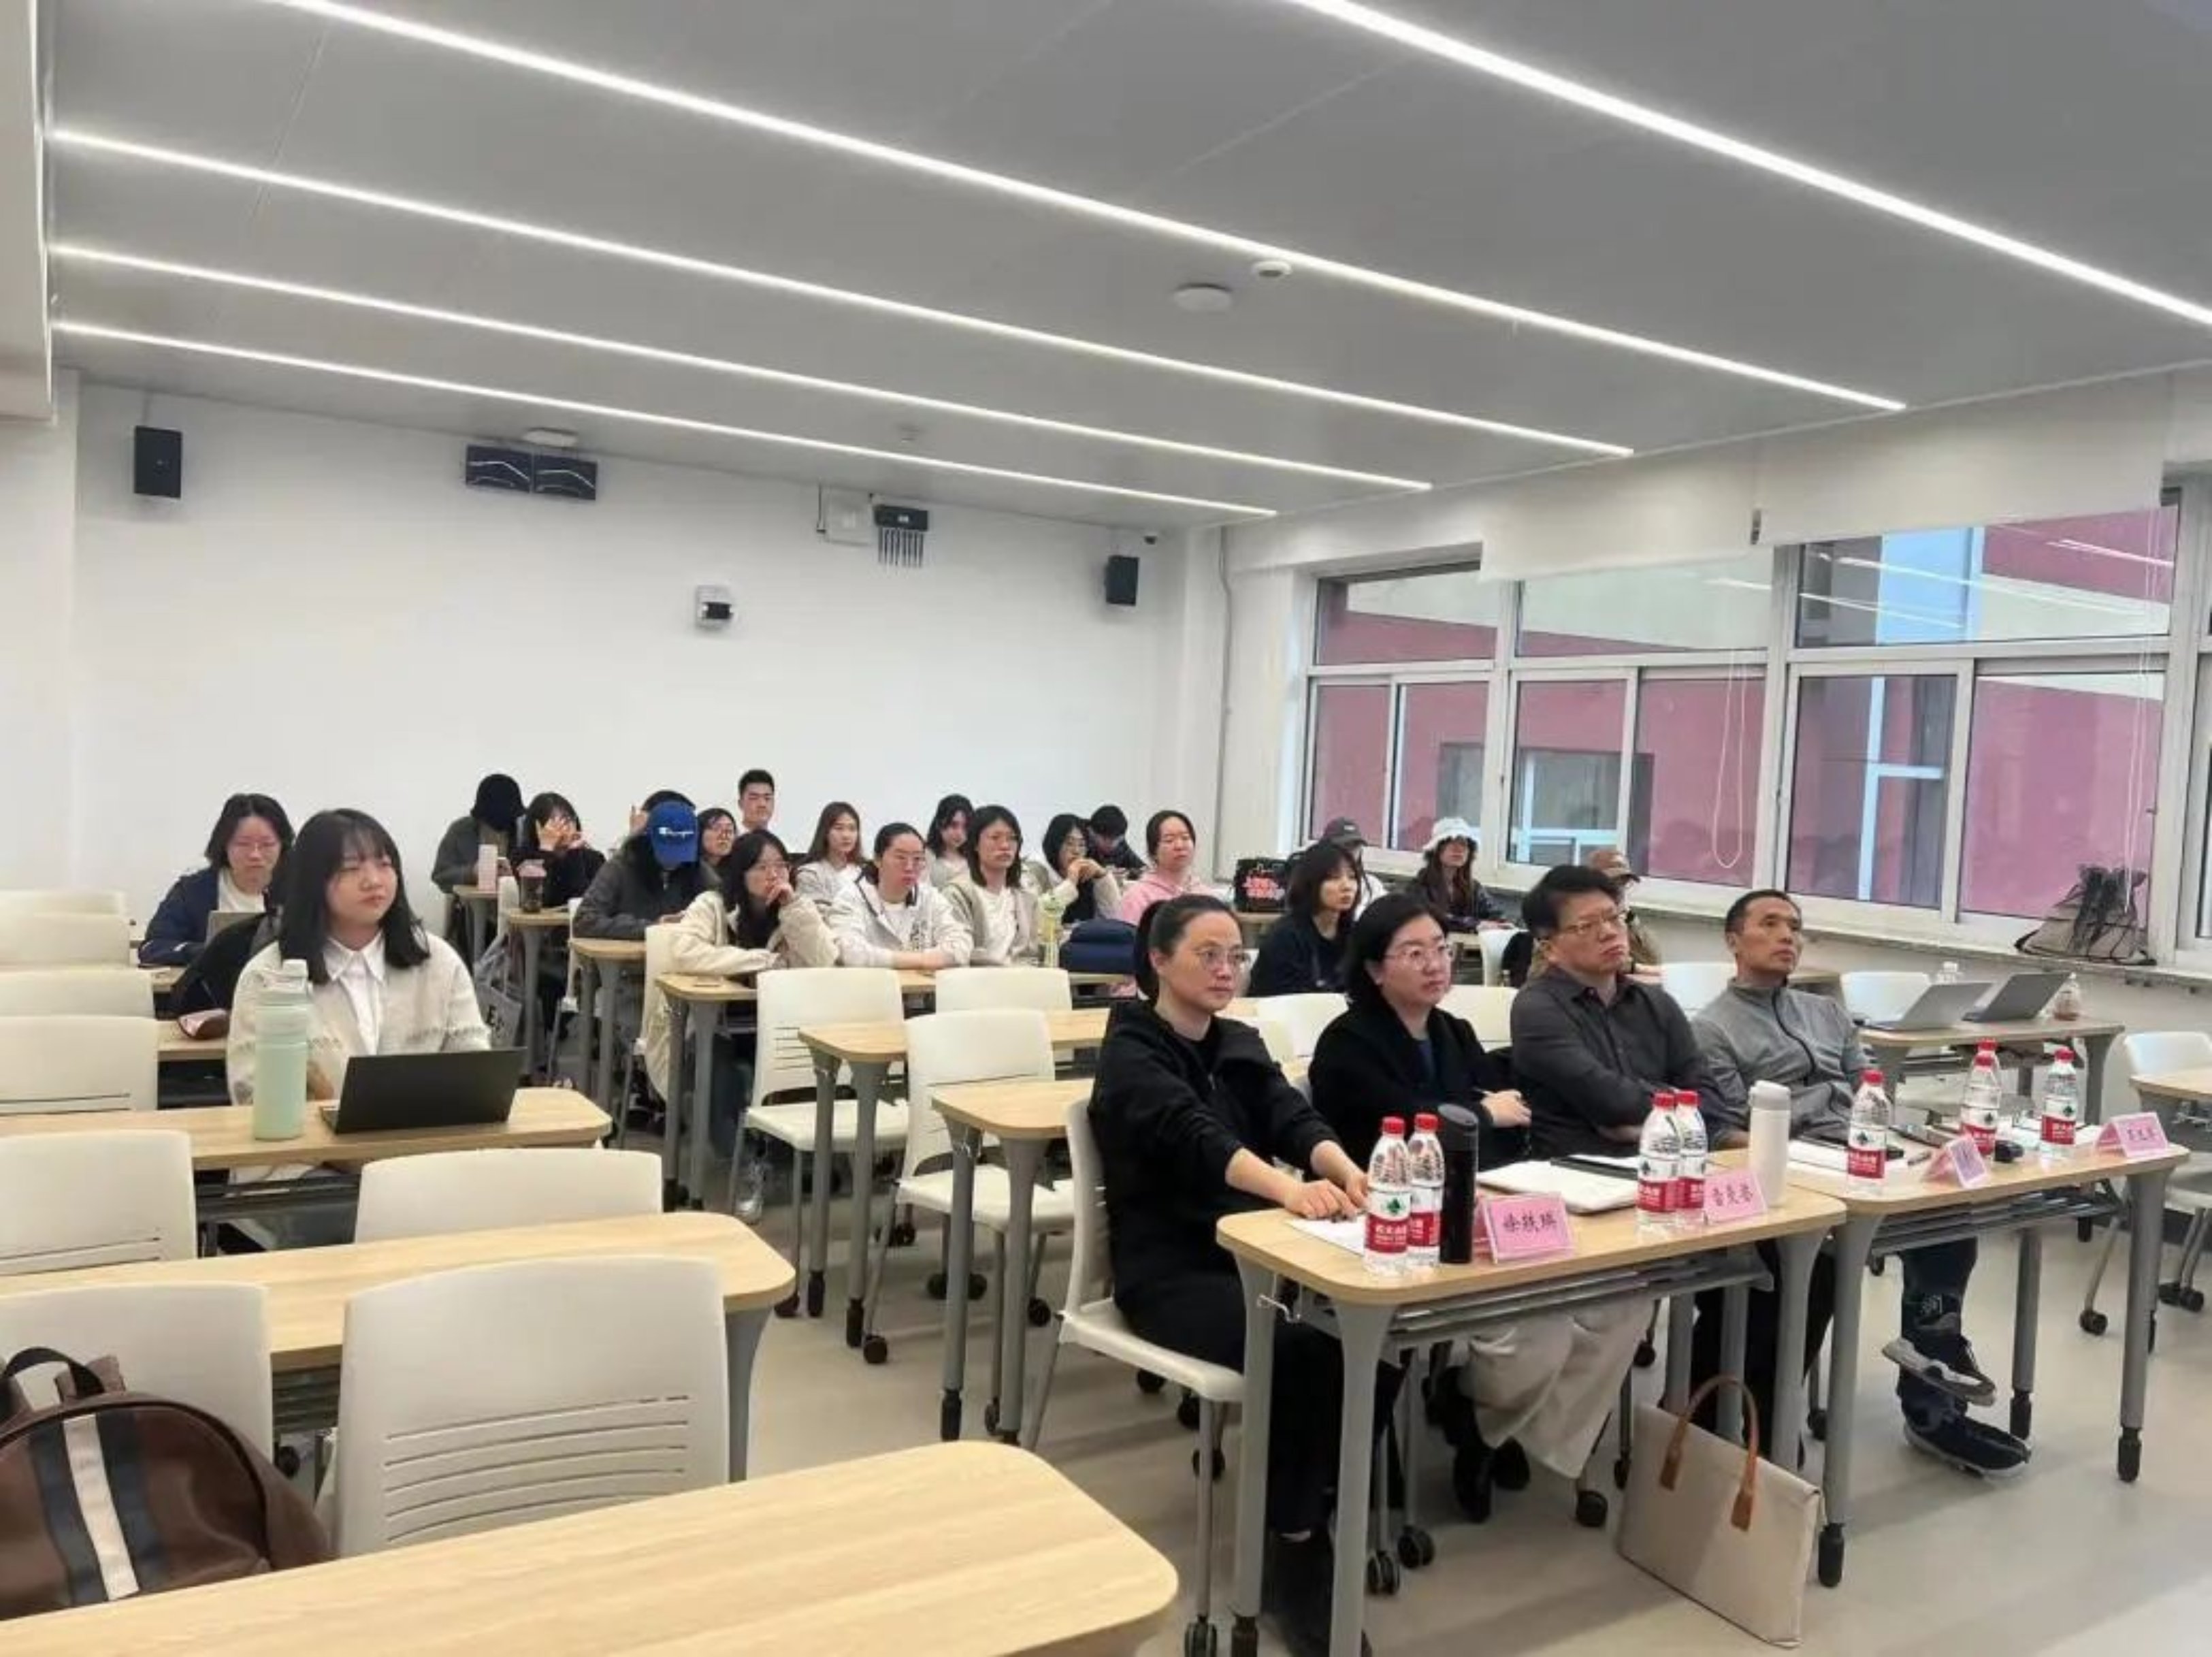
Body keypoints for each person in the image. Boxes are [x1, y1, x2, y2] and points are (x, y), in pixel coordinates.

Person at [1088, 895, 1382, 1657]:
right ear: (1158, 960)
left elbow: (1290, 1115)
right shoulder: (1131, 1050)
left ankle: (1309, 1506)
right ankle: (1293, 1548)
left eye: (1235, 956)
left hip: (1258, 1253)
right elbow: (1194, 1135)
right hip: (1171, 1269)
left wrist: (1348, 1172)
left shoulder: (1238, 1039)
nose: (1226, 969)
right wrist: (1289, 1190)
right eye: (1208, 955)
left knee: (1378, 1338)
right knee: (1307, 1352)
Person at [1310, 895, 1641, 1521]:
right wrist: (1481, 1113)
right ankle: (1489, 1427)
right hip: (1394, 1226)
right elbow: (1409, 1125)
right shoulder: (1346, 1042)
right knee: (1540, 1328)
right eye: (1414, 953)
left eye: (1441, 949)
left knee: (1625, 1303)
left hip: (1487, 1208)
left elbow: (1504, 1117)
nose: (1436, 964)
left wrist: (1482, 1118)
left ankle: (1499, 1431)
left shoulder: (1453, 1032)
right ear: (1375, 969)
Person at [1695, 890, 2025, 1477]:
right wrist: (1801, 1147)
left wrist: (1904, 1138)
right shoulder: (1712, 1028)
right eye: (1769, 924)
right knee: (1819, 1260)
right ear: (1733, 940)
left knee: (1950, 1219)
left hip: (1864, 1149)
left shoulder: (1826, 1012)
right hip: (1796, 1162)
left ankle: (1932, 1389)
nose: (1787, 936)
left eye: (1795, 926)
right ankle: (1768, 1419)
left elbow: (1868, 1085)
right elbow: (1728, 1130)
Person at [229, 808, 489, 1106]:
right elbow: (251, 1094)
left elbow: (475, 1071)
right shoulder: (268, 977)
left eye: (384, 864)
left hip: (427, 1135)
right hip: (312, 1137)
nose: (373, 881)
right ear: (313, 881)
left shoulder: (438, 961)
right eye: (351, 868)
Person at [645, 829, 838, 1219]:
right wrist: (759, 961)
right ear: (741, 871)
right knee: (721, 1077)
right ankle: (745, 1165)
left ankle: (791, 1155)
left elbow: (826, 960)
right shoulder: (713, 905)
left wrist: (794, 909)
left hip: (780, 1028)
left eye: (780, 866)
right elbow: (684, 951)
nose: (773, 875)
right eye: (762, 867)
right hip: (717, 1027)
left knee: (819, 1065)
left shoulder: (795, 907)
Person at [1509, 864, 1730, 1159]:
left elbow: (1713, 1103)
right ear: (1550, 949)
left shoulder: (1657, 1003)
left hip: (1669, 1160)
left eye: (1614, 918)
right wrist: (1677, 1106)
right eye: (1586, 926)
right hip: (1574, 1169)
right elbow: (1609, 1101)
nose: (1609, 932)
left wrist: (1650, 1127)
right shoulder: (1537, 1008)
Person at [140, 793, 294, 966]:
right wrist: (205, 953)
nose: (255, 855)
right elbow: (151, 948)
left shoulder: (301, 890)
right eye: (243, 844)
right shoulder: (193, 891)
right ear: (224, 845)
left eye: (267, 845)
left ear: (283, 846)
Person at [830, 822, 973, 969]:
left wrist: (909, 960)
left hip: (923, 983)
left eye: (917, 859)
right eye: (900, 858)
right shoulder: (850, 899)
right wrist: (922, 960)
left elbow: (961, 945)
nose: (910, 867)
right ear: (878, 860)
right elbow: (848, 952)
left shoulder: (931, 897)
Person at [572, 799, 709, 940]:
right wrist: (652, 928)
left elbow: (717, 909)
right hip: (628, 952)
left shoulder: (696, 868)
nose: (675, 857)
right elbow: (584, 922)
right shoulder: (620, 867)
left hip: (682, 951)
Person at [941, 805, 1048, 967]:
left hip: (1023, 976)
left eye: (1012, 838)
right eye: (995, 837)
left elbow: (1034, 949)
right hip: (976, 977)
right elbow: (959, 953)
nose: (1005, 846)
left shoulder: (1026, 891)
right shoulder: (956, 894)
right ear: (975, 844)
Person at [1248, 839, 1358, 997]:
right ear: (1311, 882)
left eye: (1352, 877)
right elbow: (1281, 999)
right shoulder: (1286, 936)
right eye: (1334, 878)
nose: (1347, 886)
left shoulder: (1355, 933)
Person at [432, 773, 525, 950]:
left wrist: (514, 877)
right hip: (471, 918)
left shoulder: (524, 832)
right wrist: (471, 873)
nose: (499, 828)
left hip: (517, 918)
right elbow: (440, 876)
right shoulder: (460, 831)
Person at [1116, 809, 1210, 932]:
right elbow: (1127, 941)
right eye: (1169, 840)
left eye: (1185, 838)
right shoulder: (1137, 897)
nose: (1180, 846)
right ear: (1153, 851)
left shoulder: (1206, 895)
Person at [1412, 818, 1510, 932]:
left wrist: (1502, 924)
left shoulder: (1474, 888)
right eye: (1451, 842)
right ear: (1436, 850)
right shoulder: (1420, 885)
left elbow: (1496, 914)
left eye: (1463, 844)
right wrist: (1475, 925)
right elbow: (1434, 918)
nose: (1458, 849)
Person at [513, 792, 606, 909]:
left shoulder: (594, 859)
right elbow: (542, 902)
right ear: (537, 828)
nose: (563, 828)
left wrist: (574, 853)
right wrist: (546, 849)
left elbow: (582, 903)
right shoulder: (523, 858)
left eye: (567, 821)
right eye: (553, 823)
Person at [1038, 812, 1124, 924]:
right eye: (1069, 843)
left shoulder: (1086, 874)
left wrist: (1102, 875)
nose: (1076, 851)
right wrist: (1070, 884)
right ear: (1054, 844)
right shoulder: (1036, 872)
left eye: (1082, 845)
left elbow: (1115, 919)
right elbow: (1035, 918)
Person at [1584, 848, 1661, 970]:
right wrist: (1636, 968)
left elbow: (1652, 960)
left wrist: (1631, 921)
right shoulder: (1580, 919)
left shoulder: (1626, 918)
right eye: (1612, 882)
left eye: (1623, 882)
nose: (1619, 889)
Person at [794, 800, 865, 913]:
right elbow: (815, 916)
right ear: (825, 832)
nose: (846, 835)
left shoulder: (863, 873)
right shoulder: (810, 874)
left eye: (852, 829)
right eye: (839, 828)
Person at [1317, 818, 1388, 912]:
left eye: (1355, 846)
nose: (1350, 852)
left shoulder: (1373, 886)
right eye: (1345, 846)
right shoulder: (1315, 881)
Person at [924, 794, 973, 888]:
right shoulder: (925, 856)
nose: (959, 833)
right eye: (954, 825)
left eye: (965, 827)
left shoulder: (975, 858)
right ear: (939, 823)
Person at [1088, 803, 1147, 878]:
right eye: (1106, 839)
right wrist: (1103, 873)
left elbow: (1143, 869)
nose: (1113, 844)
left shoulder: (1119, 840)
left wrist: (1129, 873)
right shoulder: (1080, 840)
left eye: (1117, 839)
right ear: (1091, 831)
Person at [696, 808, 738, 877]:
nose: (724, 836)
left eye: (729, 830)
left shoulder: (739, 871)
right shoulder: (685, 870)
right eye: (716, 828)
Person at [736, 769, 776, 835]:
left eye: (767, 798)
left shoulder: (779, 841)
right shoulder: (730, 840)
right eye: (754, 798)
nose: (762, 804)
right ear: (740, 804)